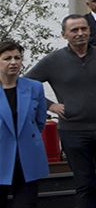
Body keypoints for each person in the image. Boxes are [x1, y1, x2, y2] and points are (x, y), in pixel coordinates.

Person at [26, 14, 96, 208]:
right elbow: (26, 85)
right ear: (64, 34)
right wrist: (50, 105)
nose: (80, 33)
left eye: (84, 29)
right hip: (73, 132)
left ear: (89, 30)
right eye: (74, 30)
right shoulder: (53, 60)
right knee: (84, 184)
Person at [0, 39, 52, 208]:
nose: (14, 62)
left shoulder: (35, 87)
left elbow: (39, 121)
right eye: (7, 58)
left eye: (17, 57)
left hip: (27, 158)